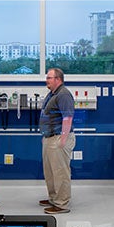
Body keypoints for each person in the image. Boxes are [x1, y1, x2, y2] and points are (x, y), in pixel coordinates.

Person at [38, 67, 76, 214]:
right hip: (50, 137)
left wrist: (63, 139)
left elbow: (67, 118)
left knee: (60, 172)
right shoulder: (52, 94)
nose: (46, 80)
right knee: (50, 172)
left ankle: (62, 204)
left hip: (59, 137)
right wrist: (45, 135)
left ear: (58, 79)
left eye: (49, 77)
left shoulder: (64, 94)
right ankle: (54, 198)